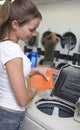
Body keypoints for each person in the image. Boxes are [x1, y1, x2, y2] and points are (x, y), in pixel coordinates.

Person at [0, 0, 48, 130]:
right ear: (15, 24)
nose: (34, 34)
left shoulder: (5, 45)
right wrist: (36, 87)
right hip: (9, 117)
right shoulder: (12, 50)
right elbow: (22, 100)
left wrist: (35, 71)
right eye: (31, 29)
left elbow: (11, 73)